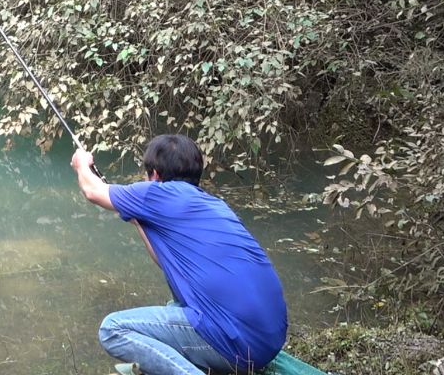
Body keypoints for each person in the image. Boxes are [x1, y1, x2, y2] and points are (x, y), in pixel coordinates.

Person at [71, 133, 288, 375]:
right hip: (268, 342)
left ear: (155, 175)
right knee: (174, 306)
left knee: (112, 329)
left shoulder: (157, 193)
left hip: (237, 345)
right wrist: (136, 217)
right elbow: (164, 261)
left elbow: (92, 190)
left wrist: (82, 164)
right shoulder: (214, 205)